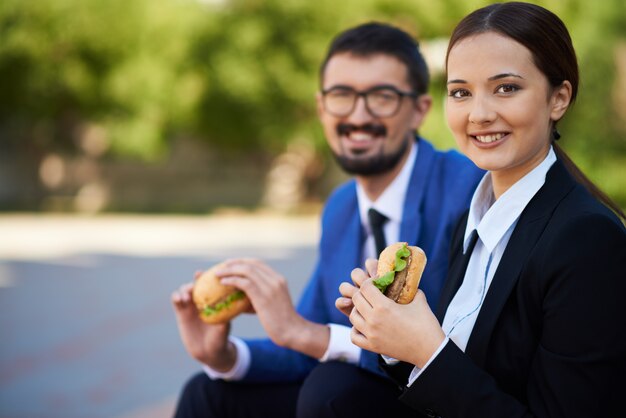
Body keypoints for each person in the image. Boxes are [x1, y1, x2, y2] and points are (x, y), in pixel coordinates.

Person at [172, 22, 483, 418]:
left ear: (419, 109)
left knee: (331, 390)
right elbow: (308, 339)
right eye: (341, 96)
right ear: (322, 108)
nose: (357, 115)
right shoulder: (340, 207)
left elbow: (458, 347)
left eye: (382, 97)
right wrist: (223, 354)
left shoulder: (466, 185)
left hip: (441, 401)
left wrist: (309, 335)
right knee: (208, 393)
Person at [338, 3, 626, 417]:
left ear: (558, 98)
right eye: (460, 92)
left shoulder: (587, 239)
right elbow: (460, 381)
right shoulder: (471, 220)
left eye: (506, 87)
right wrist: (393, 337)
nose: (480, 114)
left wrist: (427, 349)